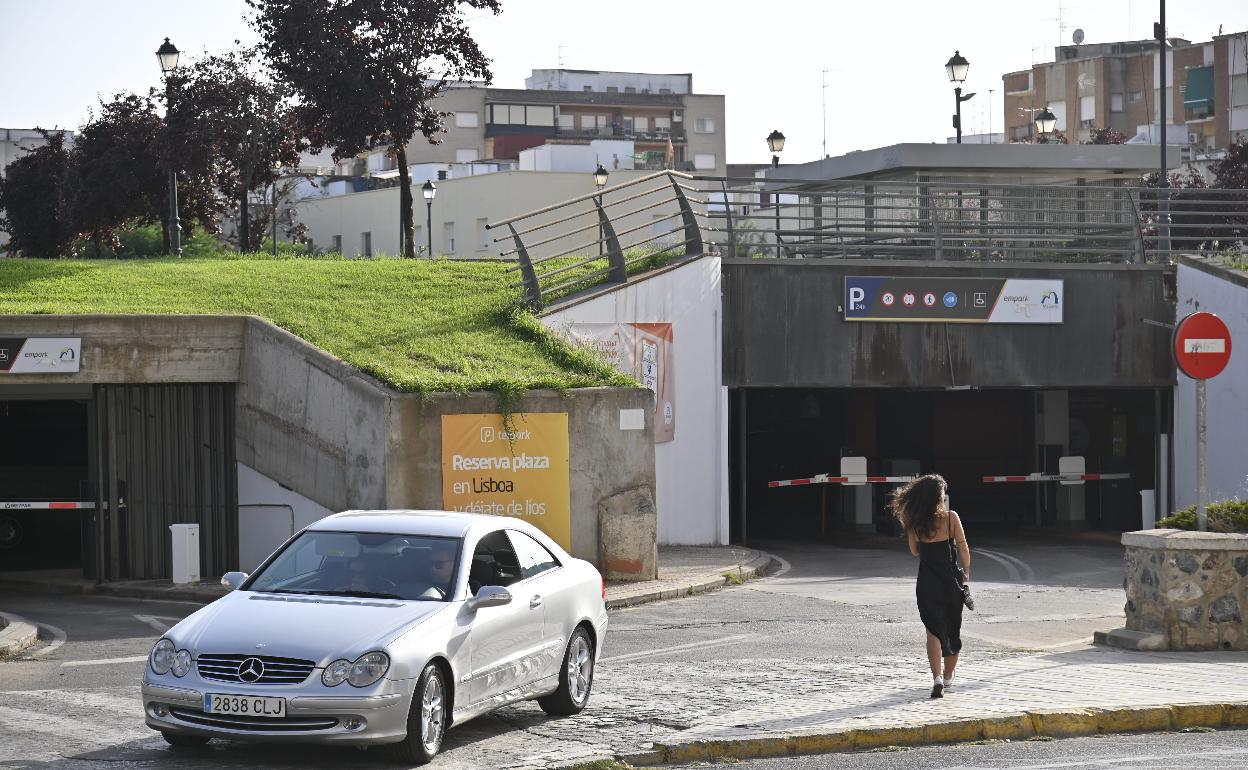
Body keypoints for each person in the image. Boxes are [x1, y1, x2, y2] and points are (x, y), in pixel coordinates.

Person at [889, 474, 971, 699]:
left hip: (927, 582)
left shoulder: (915, 522)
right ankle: (948, 676)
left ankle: (936, 679)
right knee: (952, 631)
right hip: (951, 581)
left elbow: (915, 551)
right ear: (939, 497)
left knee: (933, 631)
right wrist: (966, 573)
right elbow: (963, 548)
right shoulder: (951, 518)